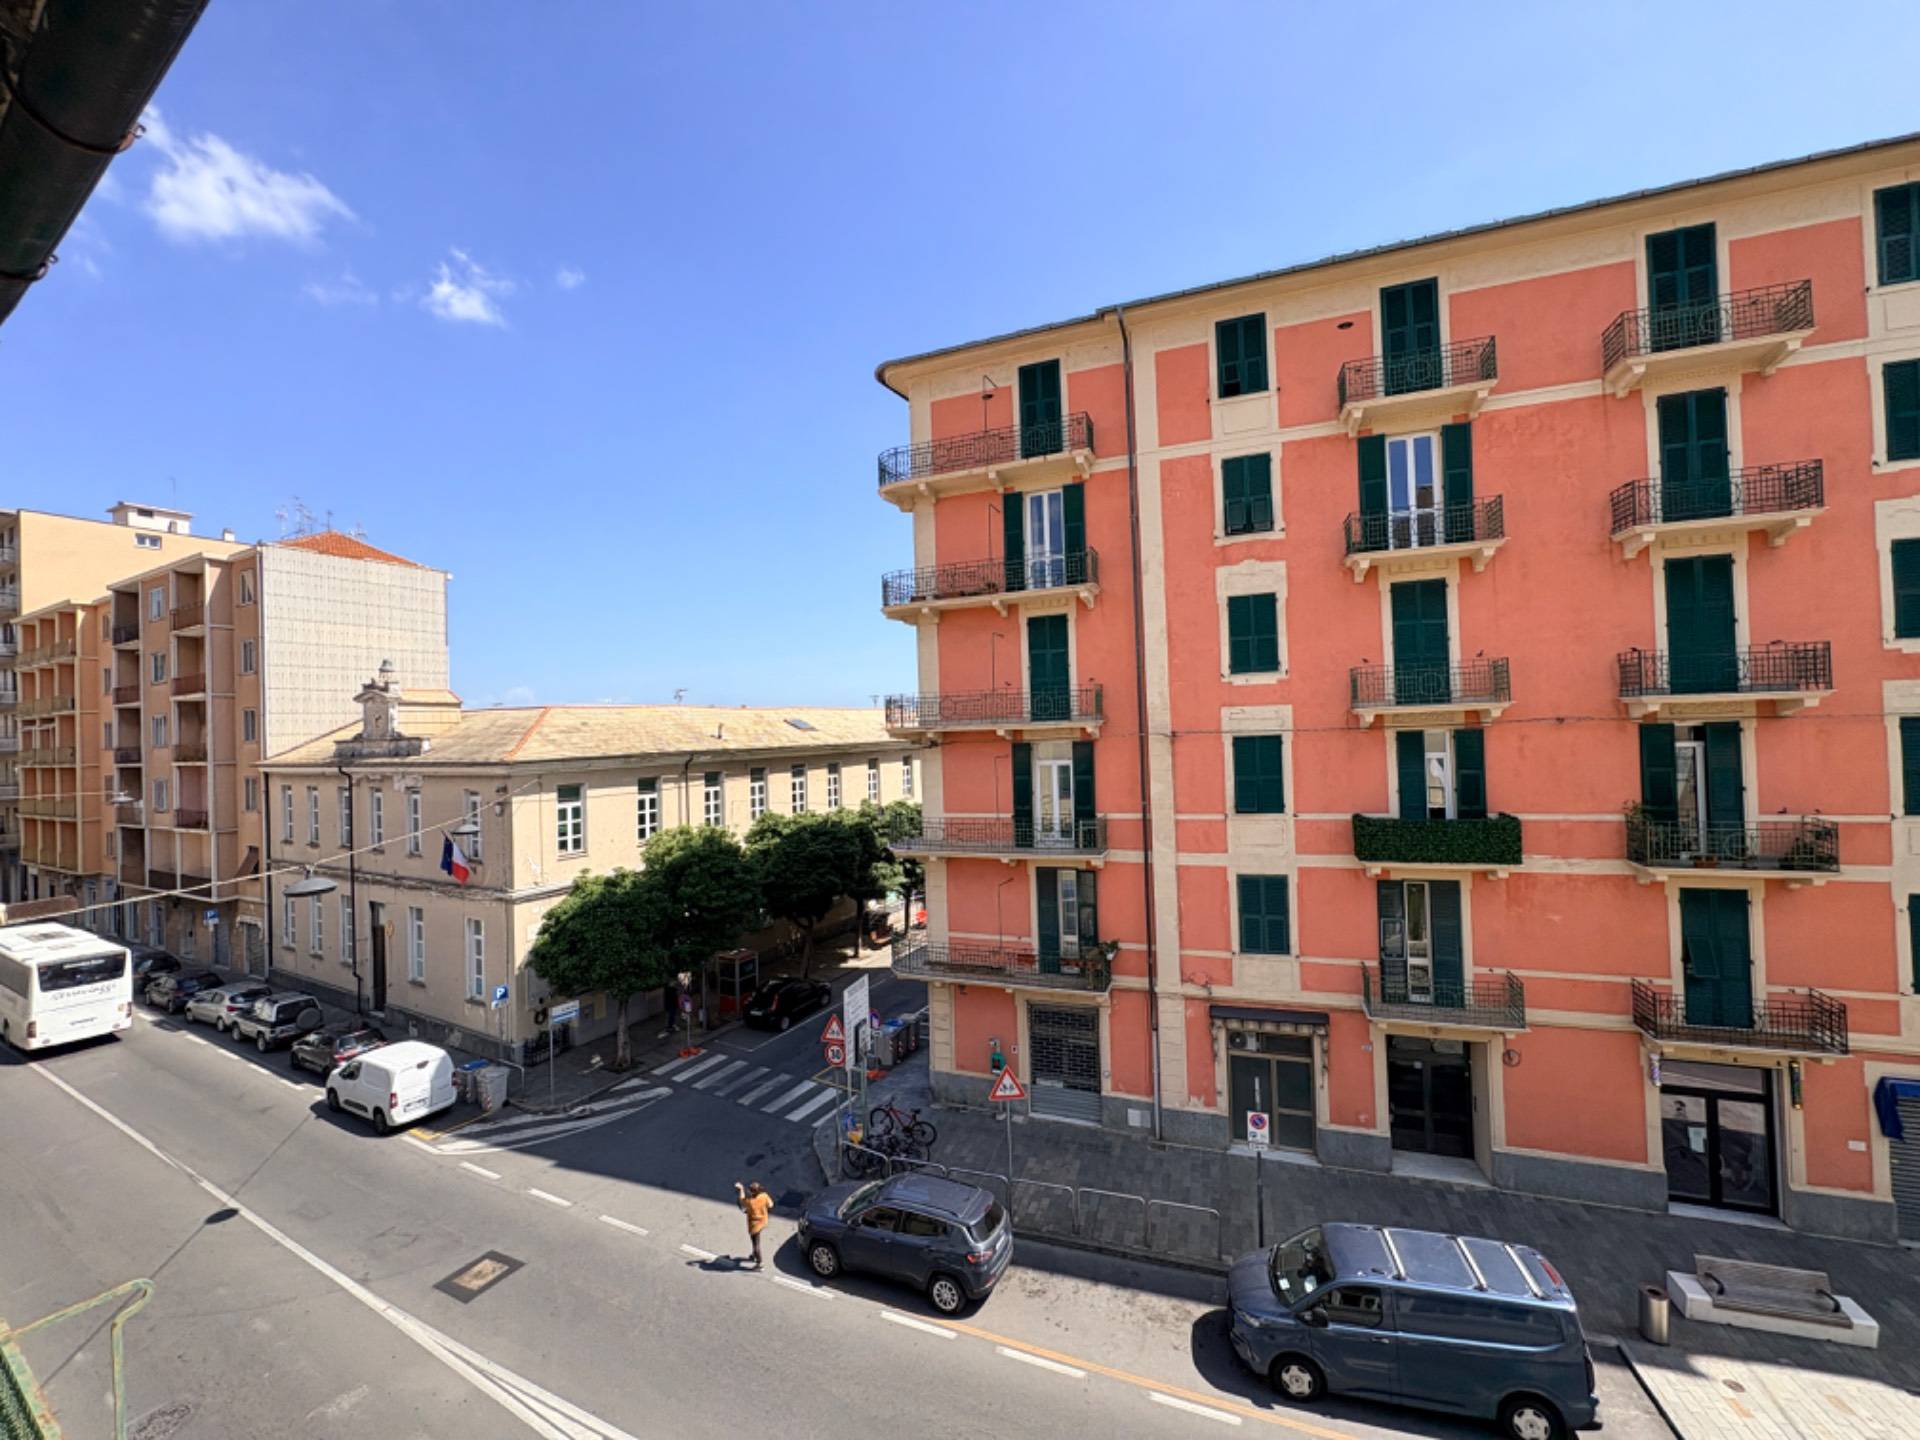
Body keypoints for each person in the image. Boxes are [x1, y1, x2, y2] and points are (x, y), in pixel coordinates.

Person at [735, 1180, 772, 1269]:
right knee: (756, 1241)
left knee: (756, 1244)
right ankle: (754, 1255)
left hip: (754, 1226)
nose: (748, 1192)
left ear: (753, 1192)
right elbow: (770, 1205)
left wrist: (741, 1189)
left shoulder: (750, 1202)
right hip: (763, 1221)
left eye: (750, 1190)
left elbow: (742, 1201)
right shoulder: (764, 1196)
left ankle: (760, 1263)